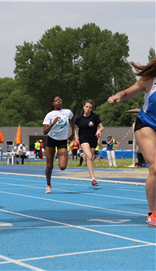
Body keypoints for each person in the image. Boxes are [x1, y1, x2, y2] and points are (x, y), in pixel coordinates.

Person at [107, 57, 156, 227]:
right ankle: (152, 212)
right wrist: (117, 96)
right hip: (147, 124)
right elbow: (127, 92)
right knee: (155, 168)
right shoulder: (150, 80)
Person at [43, 95, 76, 194]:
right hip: (51, 140)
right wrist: (53, 123)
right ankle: (48, 184)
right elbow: (45, 131)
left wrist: (73, 133)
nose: (59, 102)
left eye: (60, 100)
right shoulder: (49, 115)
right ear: (52, 103)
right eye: (56, 100)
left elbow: (72, 120)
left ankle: (60, 158)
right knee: (49, 167)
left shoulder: (68, 112)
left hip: (62, 141)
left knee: (62, 167)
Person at [75, 100, 105, 187]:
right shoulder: (79, 118)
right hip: (83, 139)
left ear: (92, 109)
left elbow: (102, 127)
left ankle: (82, 155)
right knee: (89, 157)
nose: (88, 109)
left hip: (93, 139)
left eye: (90, 107)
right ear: (84, 107)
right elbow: (73, 127)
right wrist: (76, 136)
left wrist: (99, 130)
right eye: (87, 107)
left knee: (89, 159)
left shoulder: (95, 116)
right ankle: (93, 179)